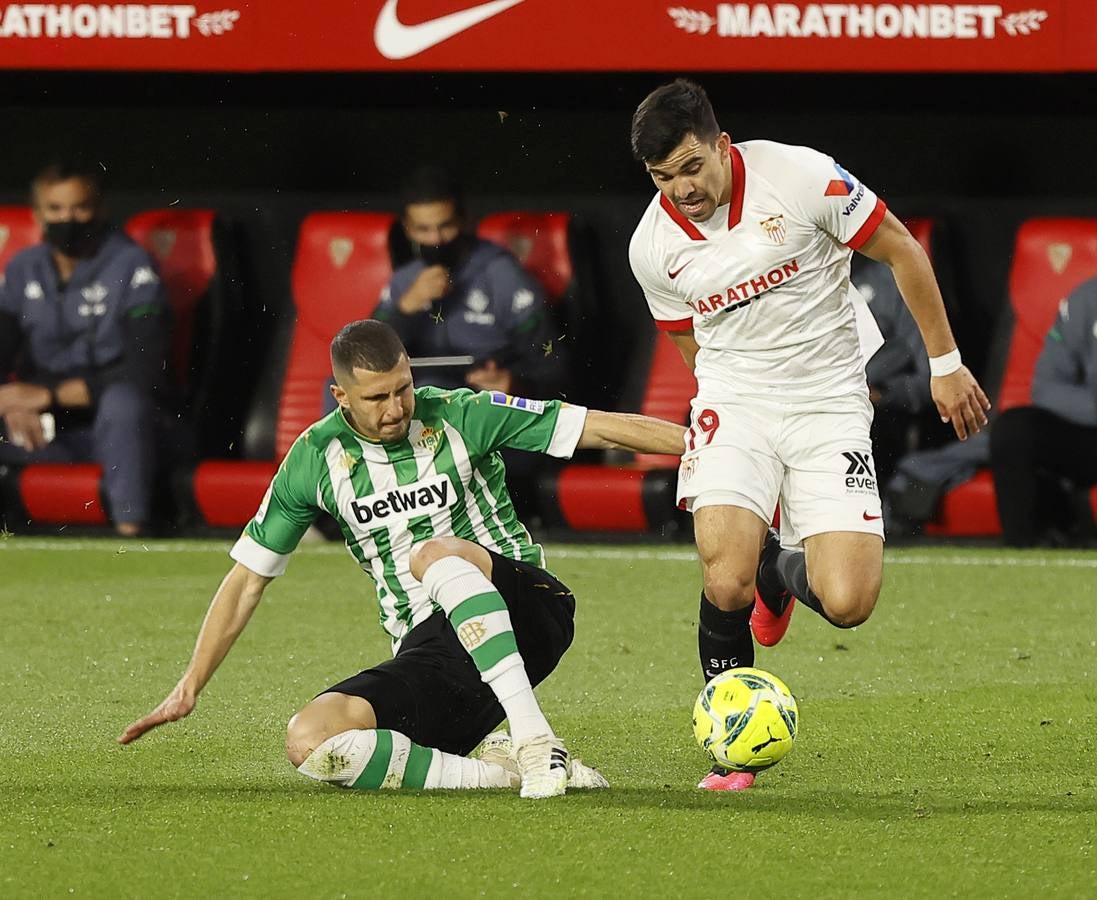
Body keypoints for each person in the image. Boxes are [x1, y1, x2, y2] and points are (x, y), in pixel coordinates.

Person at [120, 319, 686, 799]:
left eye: (403, 390)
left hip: (531, 611)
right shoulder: (315, 458)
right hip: (436, 653)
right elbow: (248, 579)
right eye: (376, 397)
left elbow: (595, 425)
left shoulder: (462, 414)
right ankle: (497, 772)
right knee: (310, 738)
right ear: (341, 396)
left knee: (432, 552)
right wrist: (189, 685)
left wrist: (711, 446)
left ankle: (535, 739)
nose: (395, 408)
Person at [627, 79, 990, 791]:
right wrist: (720, 421)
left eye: (692, 166)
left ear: (721, 145)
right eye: (663, 177)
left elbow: (901, 251)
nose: (683, 189)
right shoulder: (651, 247)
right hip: (735, 399)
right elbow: (686, 344)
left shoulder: (800, 177)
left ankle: (778, 571)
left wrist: (945, 365)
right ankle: (730, 754)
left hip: (829, 400)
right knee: (721, 576)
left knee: (849, 601)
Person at [0, 161, 170, 536]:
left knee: (123, 404)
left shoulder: (132, 264)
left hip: (113, 421)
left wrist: (49, 395)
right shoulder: (23, 268)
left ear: (100, 209)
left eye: (80, 207)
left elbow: (144, 369)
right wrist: (9, 400)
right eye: (56, 210)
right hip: (43, 429)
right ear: (37, 215)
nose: (68, 219)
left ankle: (131, 537)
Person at [990, 277, 1097, 546]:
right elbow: (1047, 387)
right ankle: (1025, 553)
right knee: (1014, 430)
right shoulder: (1086, 298)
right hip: (1091, 432)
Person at [855, 255, 935, 487]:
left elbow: (933, 377)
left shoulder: (895, 280)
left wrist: (881, 394)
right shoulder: (800, 282)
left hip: (878, 408)